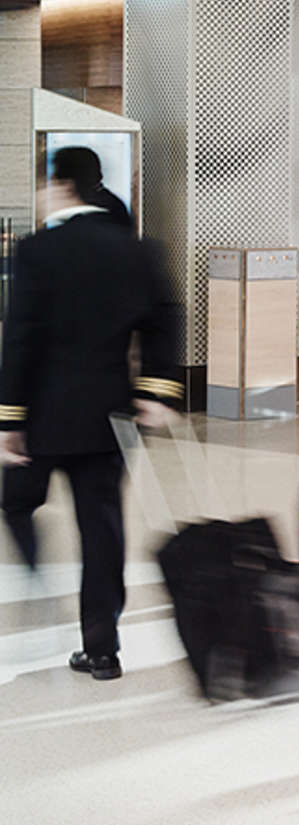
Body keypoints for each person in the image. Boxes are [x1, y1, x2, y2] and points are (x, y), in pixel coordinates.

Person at [0, 147, 183, 682]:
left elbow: (19, 339)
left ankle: (35, 576)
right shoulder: (136, 249)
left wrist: (9, 420)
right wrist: (154, 390)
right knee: (102, 530)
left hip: (42, 419)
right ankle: (102, 650)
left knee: (14, 501)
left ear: (59, 186)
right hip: (108, 417)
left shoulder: (37, 251)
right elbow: (164, 319)